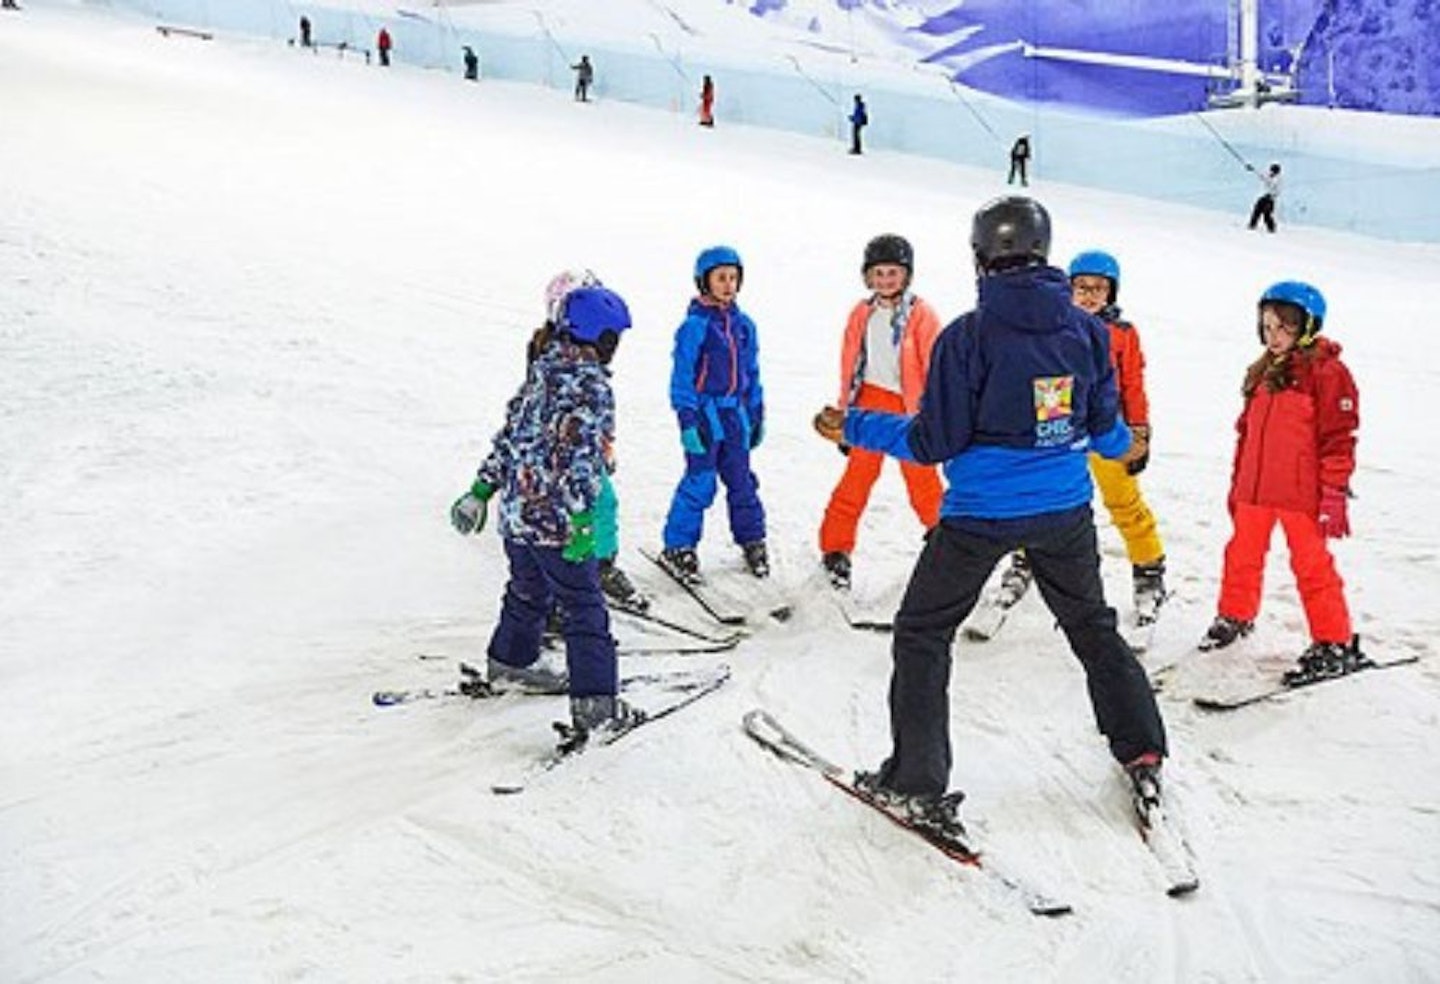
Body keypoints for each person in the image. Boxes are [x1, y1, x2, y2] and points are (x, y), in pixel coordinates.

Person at [815, 195, 1167, 828]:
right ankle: (1142, 748)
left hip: (979, 515)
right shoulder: (1088, 331)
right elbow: (1105, 428)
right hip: (1063, 511)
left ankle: (918, 781)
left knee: (923, 633)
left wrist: (856, 424)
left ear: (982, 256)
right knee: (1092, 628)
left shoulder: (968, 337)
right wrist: (1127, 445)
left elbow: (933, 442)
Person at [448, 282, 642, 739]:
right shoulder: (591, 388)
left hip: (517, 518)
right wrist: (580, 521)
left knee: (527, 591)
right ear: (603, 338)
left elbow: (510, 437)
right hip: (558, 524)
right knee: (583, 607)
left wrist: (481, 489)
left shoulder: (541, 372)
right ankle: (597, 709)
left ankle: (511, 662)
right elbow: (582, 459)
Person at [1199, 282, 1366, 683]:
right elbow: (1247, 434)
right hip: (1255, 491)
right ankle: (1235, 615)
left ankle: (1333, 641)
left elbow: (1339, 438)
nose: (1273, 336)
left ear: (1307, 328)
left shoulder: (1328, 373)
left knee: (1312, 566)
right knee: (1241, 554)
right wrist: (1238, 485)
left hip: (1299, 495)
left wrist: (1334, 493)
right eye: (1268, 327)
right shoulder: (1262, 371)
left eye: (1284, 328)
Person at [993, 250, 1168, 618]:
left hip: (1108, 432)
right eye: (1082, 287)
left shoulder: (1122, 334)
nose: (1089, 295)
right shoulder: (1052, 326)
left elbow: (1133, 384)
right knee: (1041, 498)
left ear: (1112, 293)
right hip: (1058, 430)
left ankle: (1149, 570)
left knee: (1124, 503)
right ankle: (1025, 561)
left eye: (1099, 289)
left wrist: (1139, 433)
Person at [815, 235, 943, 590]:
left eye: (893, 273)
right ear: (868, 277)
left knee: (923, 480)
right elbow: (849, 362)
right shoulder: (862, 313)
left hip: (909, 408)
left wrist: (936, 416)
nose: (886, 280)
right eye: (879, 273)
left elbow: (936, 366)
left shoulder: (922, 315)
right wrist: (845, 414)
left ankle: (944, 538)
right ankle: (836, 549)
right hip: (869, 402)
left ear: (907, 276)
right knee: (856, 480)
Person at [659, 246, 770, 582]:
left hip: (735, 415)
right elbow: (681, 377)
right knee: (701, 481)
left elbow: (751, 372)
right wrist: (688, 419)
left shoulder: (744, 325)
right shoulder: (694, 326)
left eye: (734, 278)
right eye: (720, 278)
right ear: (703, 282)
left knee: (742, 482)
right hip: (706, 415)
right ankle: (679, 546)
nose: (728, 285)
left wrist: (757, 413)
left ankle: (752, 539)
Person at [1247, 162, 1282, 232]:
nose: (1271, 172)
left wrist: (1271, 195)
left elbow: (1276, 190)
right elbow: (1261, 175)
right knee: (1256, 211)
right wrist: (1252, 169)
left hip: (1270, 199)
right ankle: (1252, 226)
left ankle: (1271, 229)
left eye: (1273, 171)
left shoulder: (1278, 180)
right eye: (1271, 170)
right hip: (1263, 197)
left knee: (1267, 214)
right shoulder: (1269, 176)